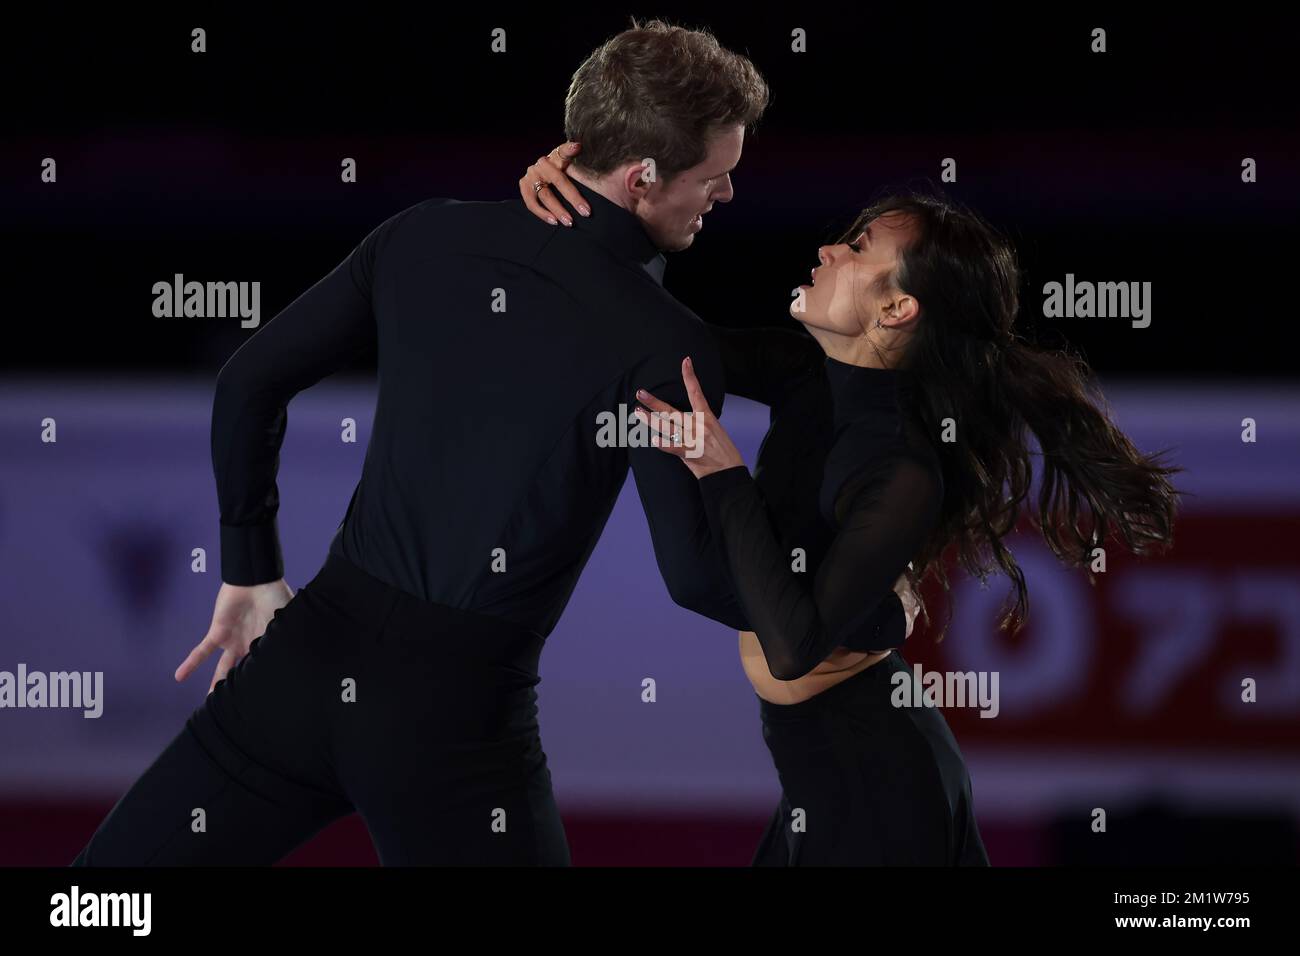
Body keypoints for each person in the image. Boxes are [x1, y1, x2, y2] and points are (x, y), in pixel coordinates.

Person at [72, 19, 906, 866]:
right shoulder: (662, 343)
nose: (724, 197)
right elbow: (694, 578)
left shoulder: (421, 233)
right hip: (454, 724)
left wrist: (249, 568)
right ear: (643, 175)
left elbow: (247, 385)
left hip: (303, 665)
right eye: (714, 177)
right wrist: (860, 611)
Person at [520, 146, 1183, 864]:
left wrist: (722, 473)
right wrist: (583, 205)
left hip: (880, 787)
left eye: (860, 247)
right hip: (821, 777)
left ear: (898, 308)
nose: (830, 247)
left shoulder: (902, 469)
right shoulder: (809, 371)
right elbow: (659, 339)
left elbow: (794, 643)